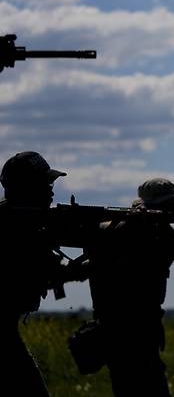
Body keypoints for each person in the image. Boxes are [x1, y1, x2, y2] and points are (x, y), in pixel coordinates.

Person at [86, 178, 174, 397]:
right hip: (132, 330)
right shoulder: (143, 230)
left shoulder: (131, 227)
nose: (173, 209)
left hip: (126, 329)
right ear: (150, 205)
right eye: (168, 204)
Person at [0, 151, 83, 396]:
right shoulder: (15, 228)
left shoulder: (25, 222)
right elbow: (43, 270)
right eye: (45, 185)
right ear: (27, 189)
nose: (51, 192)